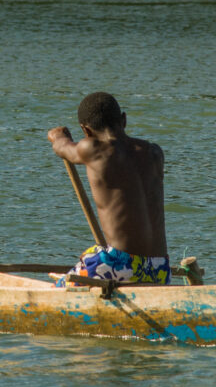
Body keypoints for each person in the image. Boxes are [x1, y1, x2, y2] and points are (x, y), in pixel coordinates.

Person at [48, 92, 170, 286]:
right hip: (160, 267)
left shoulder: (93, 148)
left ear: (85, 130)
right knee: (94, 254)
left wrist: (57, 136)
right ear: (124, 119)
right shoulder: (154, 152)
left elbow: (62, 148)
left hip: (121, 264)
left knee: (59, 289)